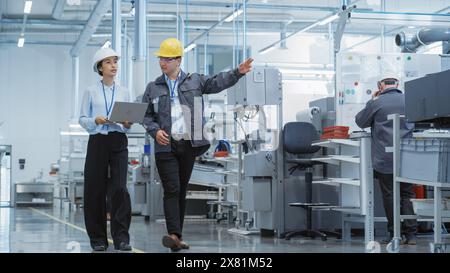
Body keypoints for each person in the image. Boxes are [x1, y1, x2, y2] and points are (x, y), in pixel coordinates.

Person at [142, 38, 253, 251]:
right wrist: (155, 132)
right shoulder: (153, 87)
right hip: (165, 145)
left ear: (178, 60)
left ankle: (177, 236)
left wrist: (237, 72)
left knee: (181, 189)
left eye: (166, 59)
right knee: (171, 188)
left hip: (189, 143)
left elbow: (217, 81)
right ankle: (173, 234)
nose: (162, 62)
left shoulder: (195, 81)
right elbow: (146, 116)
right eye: (160, 59)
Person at [79, 47, 133, 251]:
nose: (114, 66)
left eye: (115, 62)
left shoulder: (124, 91)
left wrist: (127, 123)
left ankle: (121, 238)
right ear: (100, 67)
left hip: (118, 140)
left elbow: (128, 122)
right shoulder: (90, 91)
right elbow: (82, 119)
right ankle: (98, 240)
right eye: (109, 62)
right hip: (98, 141)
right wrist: (96, 119)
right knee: (95, 190)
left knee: (119, 189)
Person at [355, 72, 417, 245]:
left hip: (385, 158)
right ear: (397, 84)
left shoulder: (378, 103)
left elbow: (360, 121)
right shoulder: (409, 99)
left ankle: (394, 234)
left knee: (390, 195)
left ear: (379, 86)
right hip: (409, 157)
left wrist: (371, 101)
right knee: (407, 194)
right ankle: (411, 235)